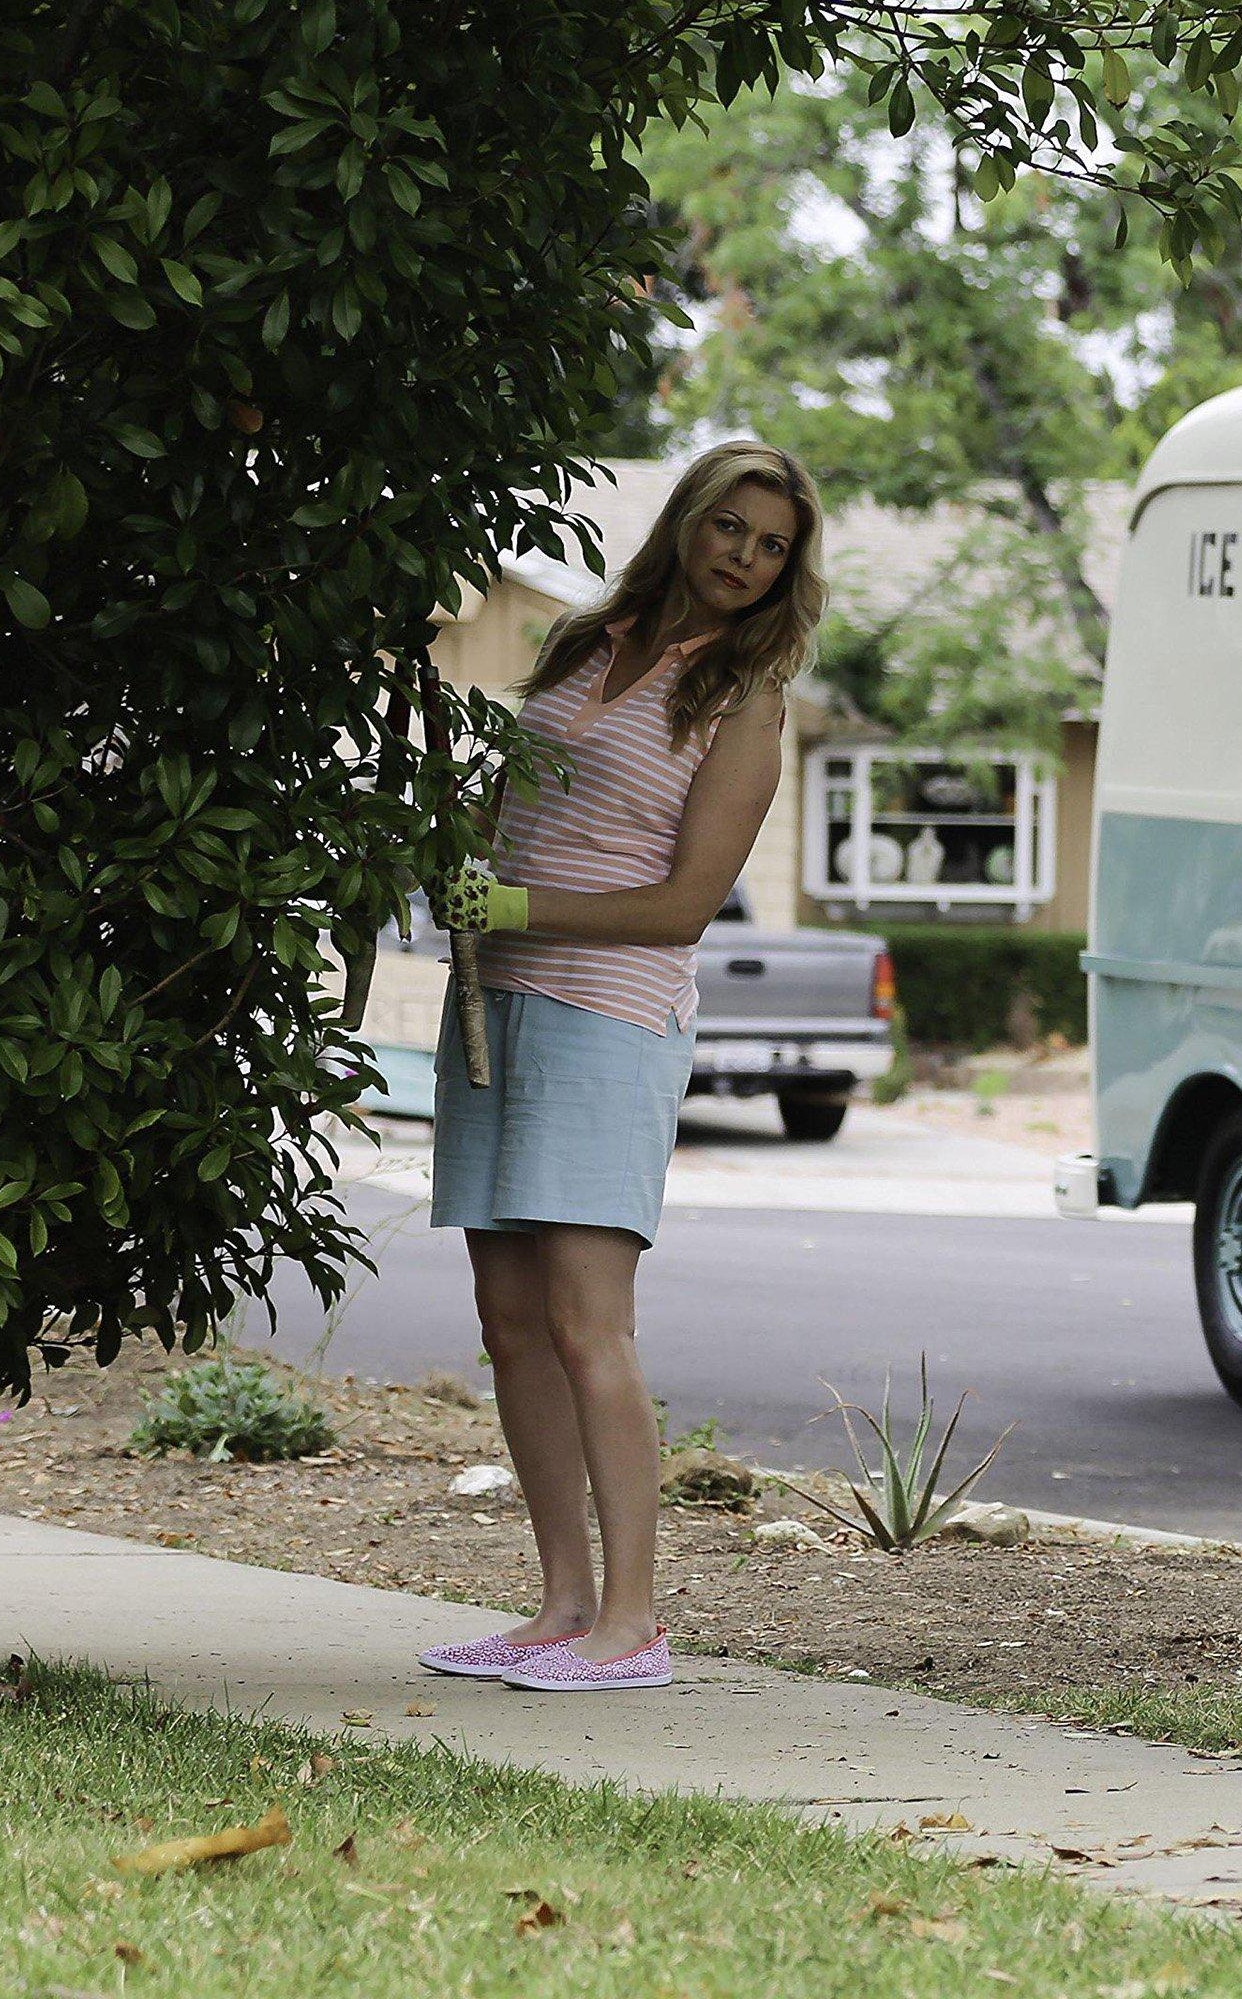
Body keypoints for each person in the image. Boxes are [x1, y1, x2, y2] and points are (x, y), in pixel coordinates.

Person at [413, 441, 824, 1693]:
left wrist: (515, 900)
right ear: (689, 519)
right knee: (511, 1321)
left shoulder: (745, 699)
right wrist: (457, 860)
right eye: (732, 529)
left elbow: (685, 906)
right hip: (496, 1000)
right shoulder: (592, 641)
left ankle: (634, 1623)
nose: (746, 560)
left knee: (591, 1326)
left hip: (609, 1016)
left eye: (773, 546)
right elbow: (510, 809)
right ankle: (559, 1608)